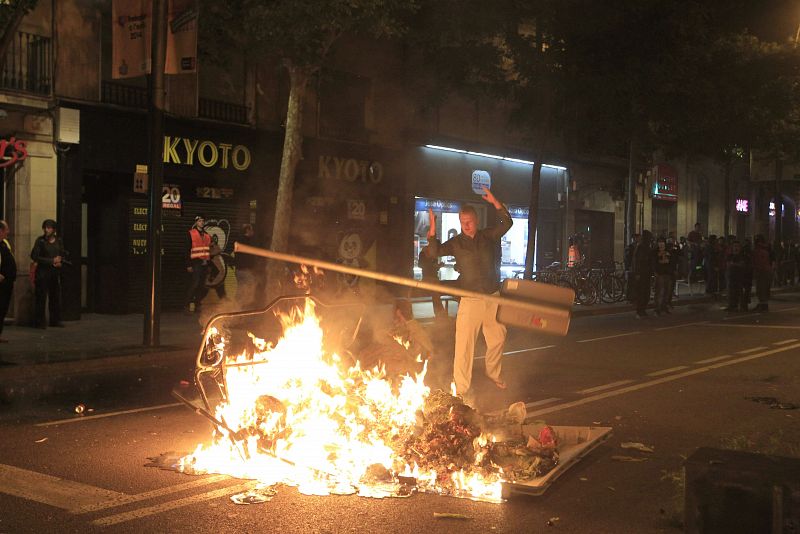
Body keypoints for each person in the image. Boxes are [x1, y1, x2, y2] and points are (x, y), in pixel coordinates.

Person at [426, 186, 512, 402]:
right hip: (470, 300)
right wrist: (433, 229)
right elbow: (434, 252)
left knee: (498, 337)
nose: (466, 225)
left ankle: (493, 372)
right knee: (464, 345)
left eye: (469, 221)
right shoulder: (456, 243)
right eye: (462, 221)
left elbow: (507, 223)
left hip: (492, 296)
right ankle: (462, 388)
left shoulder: (487, 236)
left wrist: (495, 201)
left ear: (476, 221)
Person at [30, 219, 66, 328]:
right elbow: (34, 256)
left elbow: (62, 254)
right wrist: (51, 261)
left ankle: (55, 320)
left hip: (54, 274)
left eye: (49, 228)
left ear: (54, 230)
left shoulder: (58, 241)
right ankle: (40, 322)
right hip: (42, 274)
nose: (46, 230)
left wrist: (60, 262)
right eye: (45, 227)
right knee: (41, 298)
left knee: (55, 297)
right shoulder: (40, 241)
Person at [185, 215, 212, 313]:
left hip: (204, 263)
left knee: (201, 285)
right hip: (196, 262)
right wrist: (188, 264)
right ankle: (186, 305)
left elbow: (208, 251)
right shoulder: (191, 233)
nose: (201, 222)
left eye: (203, 221)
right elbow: (187, 250)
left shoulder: (207, 235)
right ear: (196, 222)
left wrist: (209, 264)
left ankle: (197, 305)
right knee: (194, 284)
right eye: (200, 221)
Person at [233, 223, 259, 308]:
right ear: (248, 230)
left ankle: (237, 307)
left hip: (240, 269)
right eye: (252, 229)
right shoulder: (244, 241)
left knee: (241, 288)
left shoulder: (241, 240)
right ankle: (244, 305)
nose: (253, 232)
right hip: (243, 270)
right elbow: (247, 257)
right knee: (251, 284)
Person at [418, 244, 446, 318]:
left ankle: (440, 314)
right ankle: (440, 314)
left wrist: (437, 266)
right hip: (429, 278)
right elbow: (423, 265)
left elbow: (430, 267)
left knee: (436, 296)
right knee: (436, 296)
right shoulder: (425, 254)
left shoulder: (430, 254)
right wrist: (436, 265)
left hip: (431, 278)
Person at [0, 221, 17, 342]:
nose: (8, 232)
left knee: (3, 309)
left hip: (7, 282)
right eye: (6, 229)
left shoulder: (5, 243)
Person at [631, 230, 654, 318]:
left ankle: (642, 310)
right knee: (642, 293)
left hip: (645, 273)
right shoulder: (641, 247)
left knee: (645, 293)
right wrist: (637, 273)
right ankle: (640, 310)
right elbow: (638, 261)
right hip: (642, 273)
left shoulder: (646, 247)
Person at [652, 236, 674, 315]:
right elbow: (654, 263)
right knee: (660, 291)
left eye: (662, 242)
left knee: (667, 291)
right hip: (660, 273)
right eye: (659, 242)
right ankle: (657, 308)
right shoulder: (655, 252)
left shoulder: (668, 251)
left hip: (667, 273)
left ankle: (664, 307)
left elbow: (671, 261)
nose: (661, 244)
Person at [752, 234, 773, 311]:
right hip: (767, 271)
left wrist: (757, 270)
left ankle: (763, 305)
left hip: (762, 271)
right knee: (764, 289)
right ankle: (763, 304)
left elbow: (759, 262)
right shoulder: (767, 249)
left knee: (761, 289)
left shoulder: (759, 251)